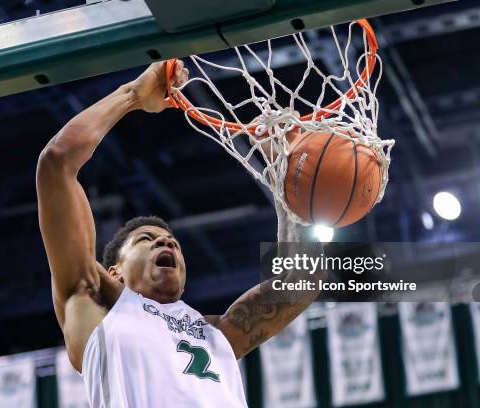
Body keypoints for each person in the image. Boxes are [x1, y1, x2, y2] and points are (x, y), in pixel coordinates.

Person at [36, 60, 324, 407]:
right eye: (146, 239)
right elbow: (57, 164)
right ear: (115, 272)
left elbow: (302, 283)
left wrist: (286, 180)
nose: (166, 240)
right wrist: (132, 95)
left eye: (172, 241)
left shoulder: (215, 334)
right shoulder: (92, 299)